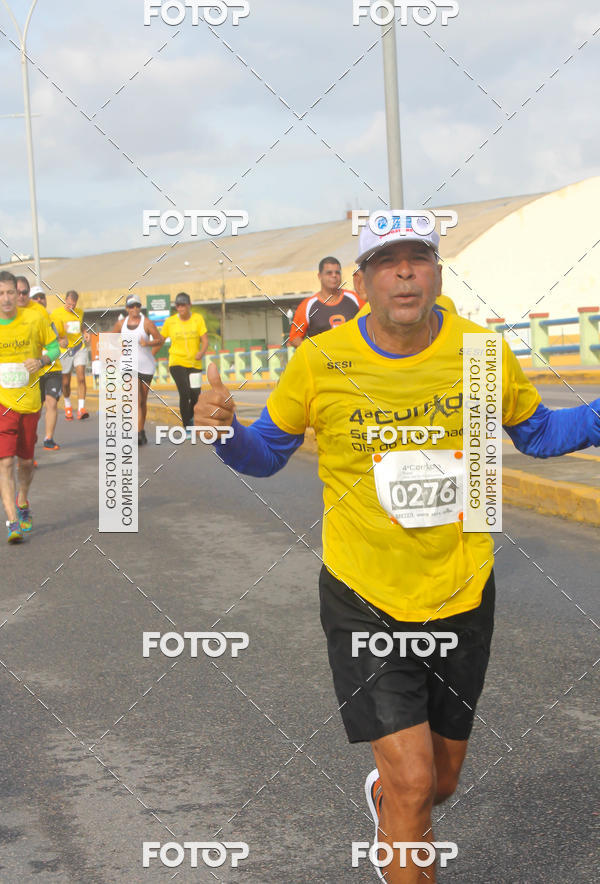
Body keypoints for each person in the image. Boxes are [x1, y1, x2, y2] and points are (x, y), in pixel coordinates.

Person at [193, 216, 600, 882]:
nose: (404, 271)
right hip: (364, 596)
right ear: (361, 282)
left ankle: (387, 798)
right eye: (387, 261)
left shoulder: (480, 352)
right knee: (414, 783)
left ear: (437, 274)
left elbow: (541, 433)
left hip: (461, 590)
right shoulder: (321, 360)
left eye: (419, 259)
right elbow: (266, 454)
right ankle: (398, 802)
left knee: (439, 781)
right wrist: (225, 434)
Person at [0, 271, 60, 542]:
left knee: (25, 462)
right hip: (3, 403)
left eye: (12, 292)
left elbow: (55, 348)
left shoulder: (35, 317)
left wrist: (42, 360)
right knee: (5, 461)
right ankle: (12, 519)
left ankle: (22, 500)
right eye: (1, 293)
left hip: (29, 402)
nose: (8, 298)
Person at [111, 294, 164, 445]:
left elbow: (160, 339)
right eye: (132, 306)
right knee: (136, 399)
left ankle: (141, 431)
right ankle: (136, 432)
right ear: (127, 308)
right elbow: (111, 339)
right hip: (128, 365)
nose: (135, 309)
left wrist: (148, 344)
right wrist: (118, 349)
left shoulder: (147, 323)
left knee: (142, 402)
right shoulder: (121, 324)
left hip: (146, 365)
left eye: (137, 306)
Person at [289, 256, 364, 347]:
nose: (334, 275)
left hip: (354, 359)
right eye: (329, 273)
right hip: (322, 360)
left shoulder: (356, 298)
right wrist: (313, 352)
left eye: (337, 272)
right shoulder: (307, 306)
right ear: (319, 276)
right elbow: (294, 338)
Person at [160, 293, 208, 435]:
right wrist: (150, 353)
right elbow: (161, 340)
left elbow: (205, 340)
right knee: (185, 392)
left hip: (195, 363)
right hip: (177, 362)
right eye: (178, 305)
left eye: (183, 305)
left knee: (196, 395)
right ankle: (187, 427)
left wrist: (202, 352)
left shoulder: (197, 319)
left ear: (189, 305)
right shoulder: (170, 322)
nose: (181, 308)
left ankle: (192, 419)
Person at [29, 284, 63, 450]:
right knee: (35, 409)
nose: (39, 300)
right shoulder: (25, 321)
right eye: (35, 297)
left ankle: (48, 439)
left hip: (53, 368)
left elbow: (59, 340)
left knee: (52, 403)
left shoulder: (51, 320)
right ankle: (30, 441)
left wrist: (62, 342)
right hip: (35, 371)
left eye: (41, 297)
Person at [50, 290, 90, 420]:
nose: (71, 307)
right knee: (65, 382)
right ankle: (68, 406)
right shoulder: (56, 314)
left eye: (74, 304)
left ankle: (81, 409)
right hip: (64, 351)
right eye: (69, 303)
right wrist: (59, 340)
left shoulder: (80, 312)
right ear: (65, 300)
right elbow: (51, 331)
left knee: (81, 378)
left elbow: (81, 325)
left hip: (79, 348)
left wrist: (85, 332)